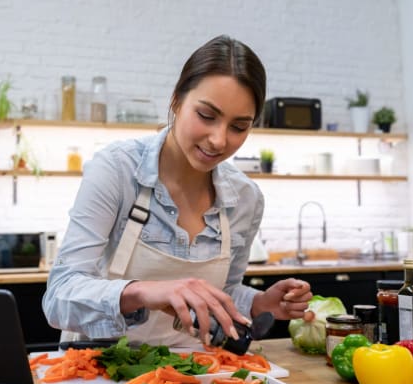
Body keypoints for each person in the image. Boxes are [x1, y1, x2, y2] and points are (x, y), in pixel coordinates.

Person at [42, 35, 312, 348]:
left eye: (239, 127)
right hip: (99, 372)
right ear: (176, 101)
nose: (219, 140)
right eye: (207, 116)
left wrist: (260, 303)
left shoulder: (245, 199)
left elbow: (222, 294)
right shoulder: (117, 170)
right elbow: (59, 298)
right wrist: (144, 291)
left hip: (189, 379)